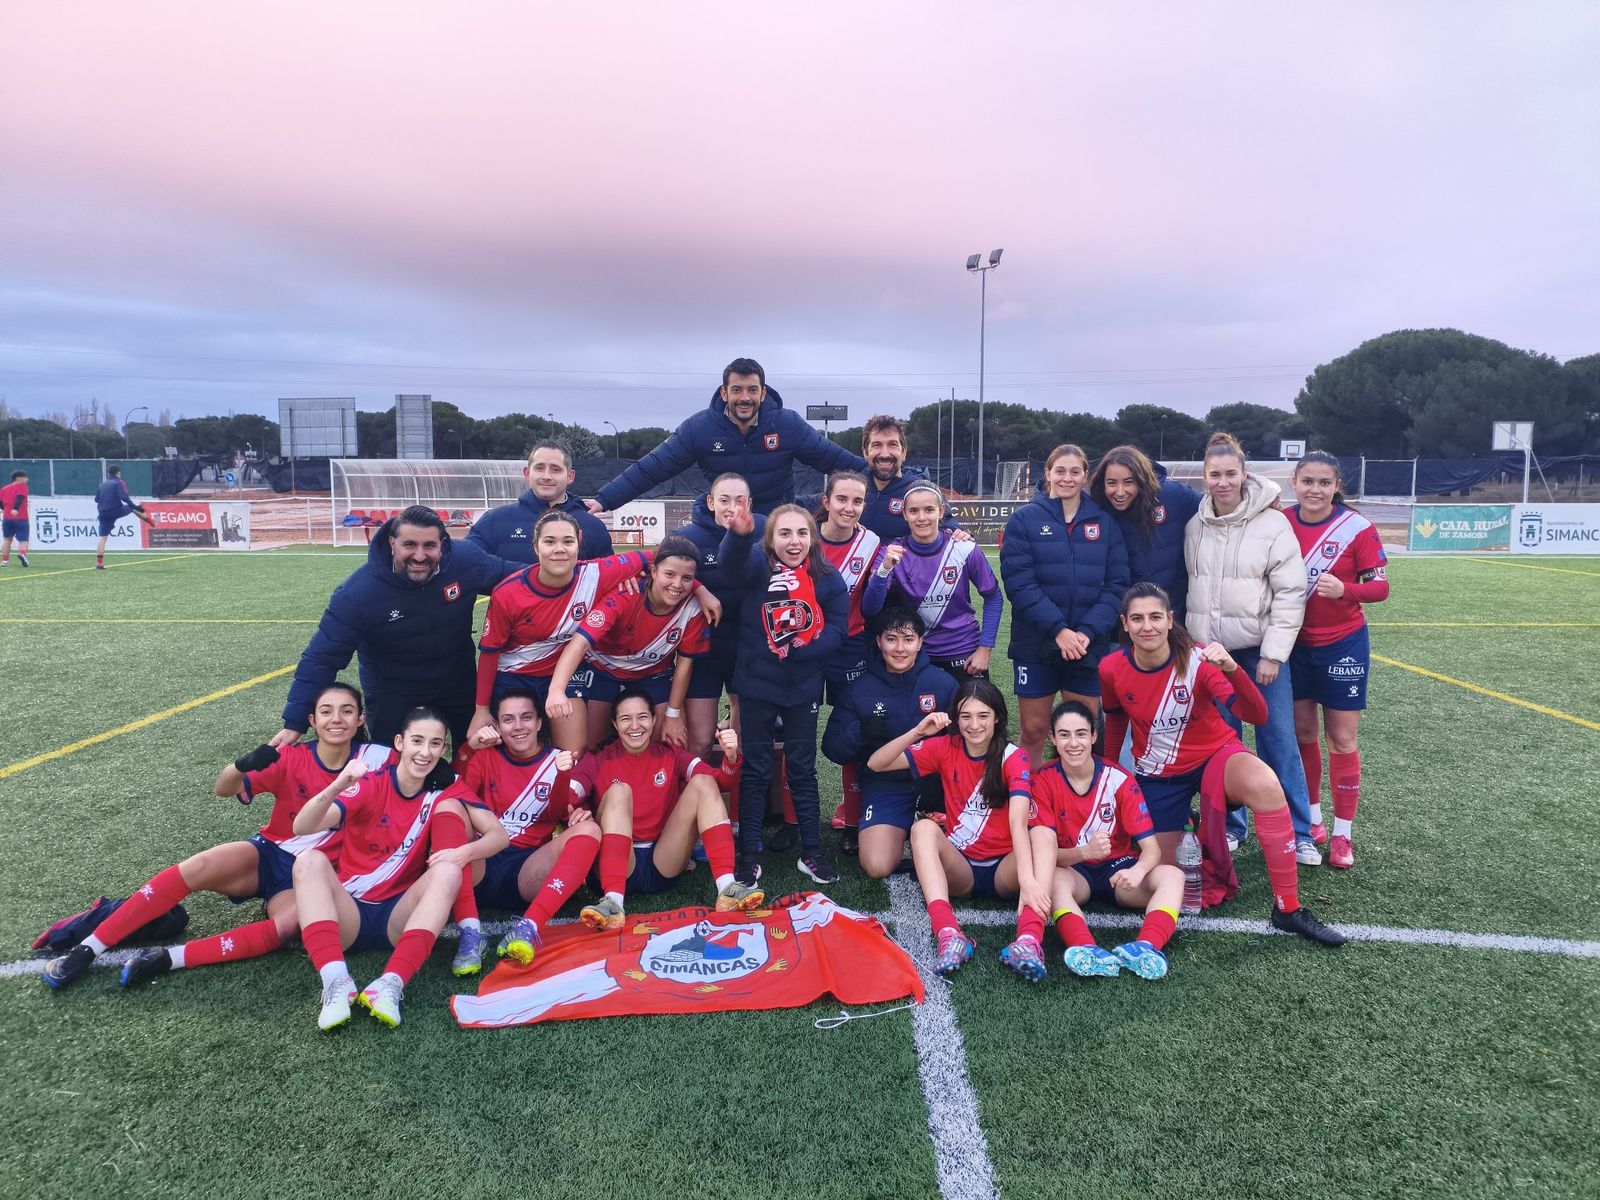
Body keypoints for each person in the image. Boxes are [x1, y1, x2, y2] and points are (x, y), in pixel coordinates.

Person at [43, 684, 391, 990]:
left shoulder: (377, 760)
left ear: (361, 719)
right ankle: (85, 949)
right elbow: (224, 789)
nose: (337, 719)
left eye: (347, 711)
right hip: (269, 855)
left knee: (286, 927)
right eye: (326, 712)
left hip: (313, 876)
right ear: (312, 721)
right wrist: (241, 765)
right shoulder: (292, 756)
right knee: (200, 865)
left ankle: (168, 957)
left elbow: (419, 760)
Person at [1099, 583, 1345, 947]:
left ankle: (1288, 909)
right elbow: (1116, 720)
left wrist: (1232, 669)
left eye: (1155, 617)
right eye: (1137, 618)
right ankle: (1193, 828)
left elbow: (1256, 714)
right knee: (1163, 875)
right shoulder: (1111, 668)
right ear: (1125, 623)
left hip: (1214, 756)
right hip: (1159, 773)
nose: (1146, 626)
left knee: (1265, 785)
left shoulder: (1198, 659)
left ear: (1170, 620)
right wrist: (1109, 773)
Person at [290, 707, 509, 1030]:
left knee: (448, 870)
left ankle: (390, 985)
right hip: (349, 914)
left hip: (398, 916)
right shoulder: (370, 784)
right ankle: (336, 982)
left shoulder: (445, 788)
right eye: (417, 741)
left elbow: (499, 836)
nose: (425, 752)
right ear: (399, 743)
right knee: (308, 860)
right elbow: (302, 826)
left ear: (443, 748)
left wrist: (464, 853)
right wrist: (338, 785)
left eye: (435, 744)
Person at [275, 506, 519, 751]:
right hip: (392, 689)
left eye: (429, 546)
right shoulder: (358, 593)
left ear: (443, 544)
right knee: (388, 767)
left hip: (457, 681)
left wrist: (555, 573)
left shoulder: (465, 561)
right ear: (392, 543)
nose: (420, 555)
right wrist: (295, 721)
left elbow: (514, 577)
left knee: (480, 753)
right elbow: (323, 657)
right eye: (409, 545)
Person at [1184, 432, 1317, 862]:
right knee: (1221, 743)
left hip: (1259, 656)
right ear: (1205, 477)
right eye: (1214, 474)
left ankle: (1300, 832)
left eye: (1230, 473)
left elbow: (1291, 592)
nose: (1223, 482)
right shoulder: (1195, 525)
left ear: (1244, 473)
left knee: (1277, 738)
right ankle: (1231, 827)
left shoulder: (1273, 523)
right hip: (1211, 656)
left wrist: (1273, 654)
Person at [867, 679, 1041, 976]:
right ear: (956, 719)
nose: (974, 725)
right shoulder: (945, 747)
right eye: (966, 716)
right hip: (962, 869)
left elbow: (1018, 822)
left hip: (1005, 870)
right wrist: (918, 732)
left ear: (997, 717)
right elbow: (876, 763)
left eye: (983, 716)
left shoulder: (1015, 757)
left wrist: (1026, 879)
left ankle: (1029, 939)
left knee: (1041, 835)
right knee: (922, 830)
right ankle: (949, 934)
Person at [1015, 700, 1183, 982]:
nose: (1073, 743)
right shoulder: (1041, 781)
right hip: (1074, 872)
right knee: (1052, 881)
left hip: (1118, 870)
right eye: (1064, 735)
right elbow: (1044, 856)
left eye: (1081, 734)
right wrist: (1084, 852)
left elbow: (1151, 849)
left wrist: (1137, 871)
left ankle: (1147, 946)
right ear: (1053, 739)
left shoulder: (1118, 778)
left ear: (1093, 736)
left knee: (1173, 876)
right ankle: (1085, 947)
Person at [571, 688, 765, 931]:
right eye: (625, 718)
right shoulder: (598, 759)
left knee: (703, 783)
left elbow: (720, 783)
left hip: (663, 861)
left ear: (654, 719)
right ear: (614, 723)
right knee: (619, 791)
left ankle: (728, 888)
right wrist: (576, 811)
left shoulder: (671, 754)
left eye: (642, 717)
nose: (635, 726)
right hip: (619, 864)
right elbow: (566, 798)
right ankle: (612, 903)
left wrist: (730, 758)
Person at [727, 502, 848, 885]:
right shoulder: (755, 568)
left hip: (802, 686)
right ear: (770, 539)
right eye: (784, 533)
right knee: (757, 766)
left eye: (801, 533)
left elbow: (837, 629)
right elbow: (730, 565)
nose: (794, 541)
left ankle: (811, 852)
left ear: (812, 538)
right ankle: (749, 853)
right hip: (757, 685)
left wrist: (800, 649)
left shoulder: (827, 577)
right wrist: (739, 534)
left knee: (801, 767)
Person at [588, 357, 867, 517]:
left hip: (774, 523)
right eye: (736, 390)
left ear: (763, 393)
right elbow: (651, 469)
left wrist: (891, 477)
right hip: (723, 523)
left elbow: (838, 461)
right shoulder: (699, 428)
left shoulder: (787, 424)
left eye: (751, 390)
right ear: (724, 393)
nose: (744, 398)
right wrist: (604, 500)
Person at [470, 511, 654, 752]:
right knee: (512, 750)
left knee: (573, 752)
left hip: (564, 673)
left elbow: (664, 558)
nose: (559, 549)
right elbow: (490, 653)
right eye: (549, 542)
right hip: (514, 675)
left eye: (567, 541)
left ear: (579, 542)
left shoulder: (597, 573)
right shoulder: (508, 592)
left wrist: (699, 590)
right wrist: (481, 710)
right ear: (535, 546)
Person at [1286, 451, 1389, 870]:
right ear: (1295, 482)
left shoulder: (1357, 528)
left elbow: (1380, 589)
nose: (1315, 490)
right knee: (1303, 735)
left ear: (1336, 486)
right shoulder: (1280, 521)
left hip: (1343, 644)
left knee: (1342, 740)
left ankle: (1343, 834)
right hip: (1292, 644)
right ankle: (1312, 823)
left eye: (1324, 483)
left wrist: (1344, 590)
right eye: (1307, 481)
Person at [1000, 443, 1130, 765]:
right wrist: (1059, 630)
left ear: (1085, 475)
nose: (1067, 478)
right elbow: (1019, 584)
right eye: (1060, 471)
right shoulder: (1024, 520)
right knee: (1033, 730)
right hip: (1036, 643)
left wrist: (1086, 632)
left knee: (1080, 734)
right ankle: (1027, 807)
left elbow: (1117, 585)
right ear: (1047, 474)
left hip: (1087, 645)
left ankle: (1075, 808)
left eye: (1075, 471)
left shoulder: (1104, 522)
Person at [452, 688, 601, 968]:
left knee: (590, 831)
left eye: (526, 717)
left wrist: (566, 783)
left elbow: (559, 811)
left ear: (539, 723)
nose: (518, 726)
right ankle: (470, 932)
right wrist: (469, 747)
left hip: (526, 872)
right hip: (478, 864)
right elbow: (455, 792)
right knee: (451, 810)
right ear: (496, 725)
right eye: (508, 719)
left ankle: (528, 927)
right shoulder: (484, 757)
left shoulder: (558, 759)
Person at [544, 535, 717, 751]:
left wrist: (673, 715)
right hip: (601, 669)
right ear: (653, 571)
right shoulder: (626, 594)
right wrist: (556, 690)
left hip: (653, 673)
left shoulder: (693, 607)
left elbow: (684, 664)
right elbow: (579, 644)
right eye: (669, 574)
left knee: (670, 742)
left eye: (687, 578)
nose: (677, 585)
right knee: (589, 745)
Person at [821, 608, 959, 877]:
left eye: (908, 639)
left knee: (973, 852)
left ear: (920, 642)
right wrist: (860, 732)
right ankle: (900, 828)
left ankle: (925, 831)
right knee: (876, 865)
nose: (900, 648)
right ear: (878, 642)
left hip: (937, 784)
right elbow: (831, 748)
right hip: (886, 784)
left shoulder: (944, 684)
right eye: (891, 638)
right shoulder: (860, 689)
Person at [861, 482, 1002, 685]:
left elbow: (993, 596)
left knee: (969, 716)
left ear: (941, 511)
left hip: (964, 652)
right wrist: (884, 570)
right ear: (904, 514)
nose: (921, 518)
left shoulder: (964, 547)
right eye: (914, 511)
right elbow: (870, 608)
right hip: (916, 654)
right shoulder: (892, 551)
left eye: (929, 510)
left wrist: (985, 648)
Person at [812, 469, 883, 854]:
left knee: (853, 732)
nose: (849, 508)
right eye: (842, 499)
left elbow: (873, 601)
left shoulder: (872, 544)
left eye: (857, 501)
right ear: (826, 502)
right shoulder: (802, 538)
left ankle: (854, 818)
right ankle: (797, 821)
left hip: (852, 645)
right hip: (805, 647)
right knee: (795, 732)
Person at [673, 473, 766, 760]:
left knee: (740, 743)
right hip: (703, 652)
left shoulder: (765, 530)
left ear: (749, 503)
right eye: (724, 500)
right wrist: (700, 590)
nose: (732, 508)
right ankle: (695, 800)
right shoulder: (687, 538)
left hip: (748, 648)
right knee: (699, 742)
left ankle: (738, 803)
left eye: (740, 501)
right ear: (711, 502)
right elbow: (663, 578)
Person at [1088, 445, 1202, 624]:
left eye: (1128, 482)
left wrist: (1260, 500)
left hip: (1174, 617)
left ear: (1141, 480)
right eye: (1111, 483)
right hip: (1124, 625)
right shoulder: (1097, 512)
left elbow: (1217, 507)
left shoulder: (1173, 496)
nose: (1119, 491)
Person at [468, 440, 613, 563]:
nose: (546, 476)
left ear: (570, 476)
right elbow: (464, 566)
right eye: (539, 468)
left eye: (555, 470)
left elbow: (609, 580)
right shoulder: (494, 521)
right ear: (527, 473)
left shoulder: (593, 527)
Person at [93, 466, 154, 569]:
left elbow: (96, 499)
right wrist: (135, 507)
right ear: (118, 473)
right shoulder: (119, 482)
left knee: (103, 538)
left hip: (102, 513)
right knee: (132, 508)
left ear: (109, 474)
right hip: (115, 510)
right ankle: (152, 523)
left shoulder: (103, 484)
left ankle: (99, 564)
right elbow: (124, 498)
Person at [1, 469, 29, 567]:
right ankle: (22, 554)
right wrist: (15, 509)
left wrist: (6, 510)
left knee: (7, 539)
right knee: (23, 539)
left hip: (7, 518)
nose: (27, 479)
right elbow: (20, 497)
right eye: (25, 477)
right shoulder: (22, 486)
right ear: (19, 478)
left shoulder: (4, 488)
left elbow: (0, 503)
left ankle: (5, 561)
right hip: (21, 517)